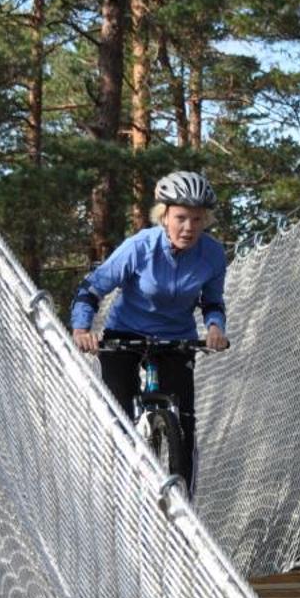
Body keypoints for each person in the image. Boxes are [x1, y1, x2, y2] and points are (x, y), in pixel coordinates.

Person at [71, 170, 230, 488]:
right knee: (118, 411)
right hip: (126, 333)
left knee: (184, 421)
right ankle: (115, 482)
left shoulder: (212, 254)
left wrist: (215, 328)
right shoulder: (140, 247)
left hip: (176, 337)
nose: (188, 228)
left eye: (197, 220)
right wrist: (81, 328)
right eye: (181, 217)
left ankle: (183, 502)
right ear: (164, 215)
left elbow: (213, 302)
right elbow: (92, 288)